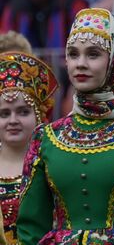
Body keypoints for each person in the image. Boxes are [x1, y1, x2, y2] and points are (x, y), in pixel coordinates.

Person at [16, 8, 114, 244]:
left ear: (113, 60)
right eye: (73, 54)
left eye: (93, 54)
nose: (80, 63)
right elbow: (30, 229)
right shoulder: (46, 137)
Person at [0, 52, 59, 245]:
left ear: (39, 115)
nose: (13, 120)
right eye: (4, 114)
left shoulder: (53, 162)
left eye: (23, 112)